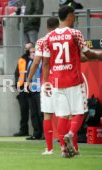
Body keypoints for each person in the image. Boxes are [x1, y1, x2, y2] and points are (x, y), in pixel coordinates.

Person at [42, 6, 102, 158]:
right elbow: (87, 53)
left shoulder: (48, 37)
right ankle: (70, 134)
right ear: (69, 16)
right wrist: (99, 56)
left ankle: (63, 148)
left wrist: (46, 82)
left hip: (56, 81)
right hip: (74, 80)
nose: (74, 19)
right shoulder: (75, 33)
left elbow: (46, 63)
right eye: (74, 16)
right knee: (80, 113)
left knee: (62, 115)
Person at [25, 17, 59, 155]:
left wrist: (28, 80)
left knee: (47, 114)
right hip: (64, 78)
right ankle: (68, 145)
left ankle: (49, 148)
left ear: (46, 26)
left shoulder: (43, 41)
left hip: (48, 82)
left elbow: (38, 63)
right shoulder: (70, 37)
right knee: (67, 114)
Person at [13, 42, 33, 137]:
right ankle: (23, 130)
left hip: (32, 87)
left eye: (29, 47)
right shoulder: (21, 59)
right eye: (26, 48)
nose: (27, 49)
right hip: (22, 87)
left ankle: (38, 131)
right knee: (23, 110)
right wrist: (17, 84)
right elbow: (17, 73)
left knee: (35, 111)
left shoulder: (35, 59)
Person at [25, 46, 43, 140]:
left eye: (34, 52)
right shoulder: (29, 63)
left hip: (39, 89)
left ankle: (44, 133)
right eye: (31, 52)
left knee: (41, 113)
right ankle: (36, 133)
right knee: (33, 113)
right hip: (31, 90)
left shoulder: (41, 63)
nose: (32, 53)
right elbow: (27, 76)